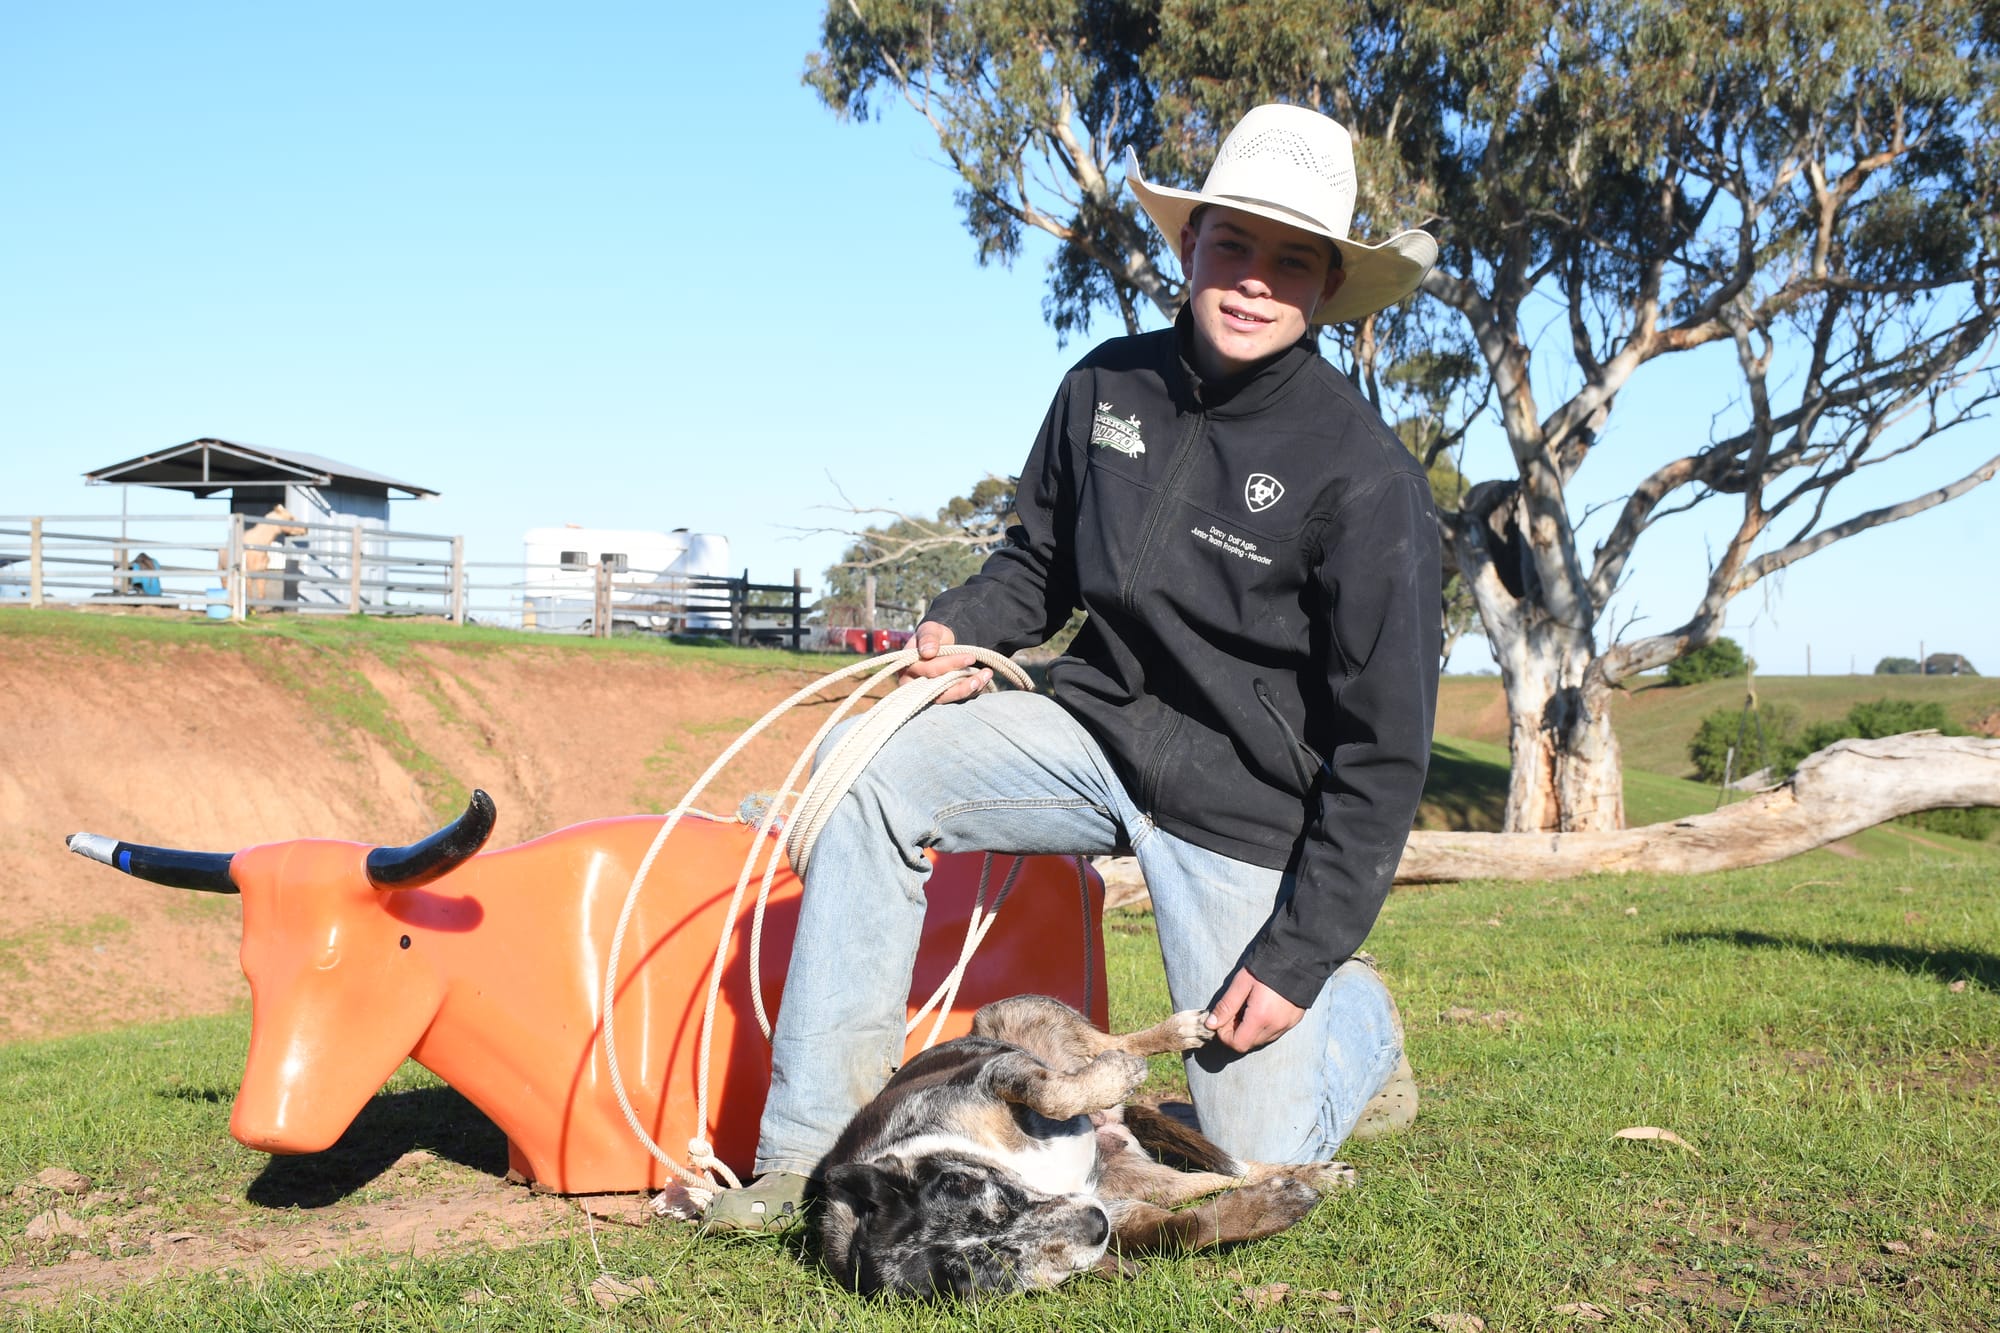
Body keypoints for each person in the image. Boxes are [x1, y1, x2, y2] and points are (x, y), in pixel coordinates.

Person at [709, 103, 1443, 1231]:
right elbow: (1035, 566)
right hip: (1091, 731)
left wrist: (1299, 958)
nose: (1254, 280)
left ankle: (1361, 1025)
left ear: (1329, 285)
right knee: (867, 772)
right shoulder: (1105, 387)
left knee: (1251, 1153)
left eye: (1292, 260)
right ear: (1189, 246)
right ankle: (812, 1151)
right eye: (1233, 244)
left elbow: (1383, 753)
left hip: (1244, 808)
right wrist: (965, 625)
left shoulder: (1367, 478)